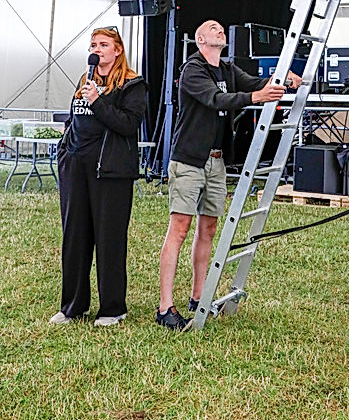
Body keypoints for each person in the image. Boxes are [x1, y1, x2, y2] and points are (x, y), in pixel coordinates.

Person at [157, 19, 302, 330]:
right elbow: (216, 99)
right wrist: (256, 98)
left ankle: (198, 298)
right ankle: (165, 306)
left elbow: (253, 82)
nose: (219, 30)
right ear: (199, 40)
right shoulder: (193, 70)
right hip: (189, 160)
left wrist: (283, 78)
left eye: (221, 29)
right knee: (180, 228)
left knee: (208, 228)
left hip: (216, 160)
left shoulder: (227, 68)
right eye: (212, 28)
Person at [51, 26, 147, 326]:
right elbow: (75, 118)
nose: (97, 49)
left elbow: (128, 125)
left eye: (104, 44)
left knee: (109, 238)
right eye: (94, 44)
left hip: (110, 172)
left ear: (117, 50)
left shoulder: (132, 84)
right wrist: (65, 150)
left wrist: (98, 101)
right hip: (76, 168)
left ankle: (112, 308)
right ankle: (72, 306)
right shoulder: (85, 79)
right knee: (75, 236)